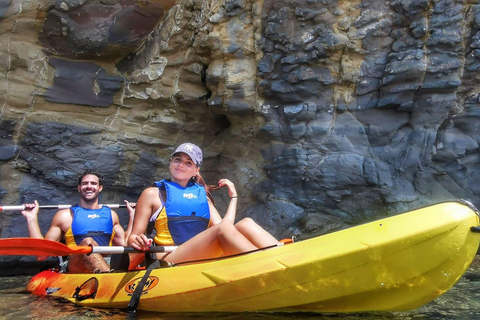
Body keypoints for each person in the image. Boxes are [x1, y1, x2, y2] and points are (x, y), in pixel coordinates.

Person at [128, 142, 279, 266]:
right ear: (170, 163)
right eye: (178, 159)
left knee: (246, 223)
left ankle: (285, 256)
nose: (181, 165)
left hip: (200, 254)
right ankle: (267, 265)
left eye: (188, 163)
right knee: (225, 228)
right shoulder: (152, 194)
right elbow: (133, 237)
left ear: (195, 170)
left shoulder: (202, 196)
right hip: (170, 256)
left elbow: (226, 228)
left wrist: (233, 198)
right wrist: (138, 241)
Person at [21, 170, 136, 273]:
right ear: (79, 188)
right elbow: (41, 254)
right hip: (77, 264)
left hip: (107, 260)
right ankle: (109, 279)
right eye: (85, 183)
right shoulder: (64, 216)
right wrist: (31, 218)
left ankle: (110, 273)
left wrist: (133, 216)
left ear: (100, 188)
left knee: (140, 244)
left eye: (93, 183)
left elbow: (126, 245)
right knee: (87, 242)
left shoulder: (111, 215)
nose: (89, 186)